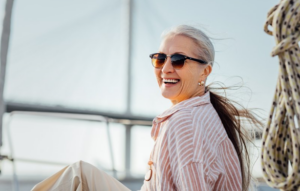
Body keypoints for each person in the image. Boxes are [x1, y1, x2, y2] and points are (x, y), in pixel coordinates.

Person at [32, 25, 262, 191]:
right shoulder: (205, 113)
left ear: (205, 71)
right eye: (160, 59)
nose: (166, 68)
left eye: (179, 60)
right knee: (80, 173)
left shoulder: (184, 122)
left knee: (76, 177)